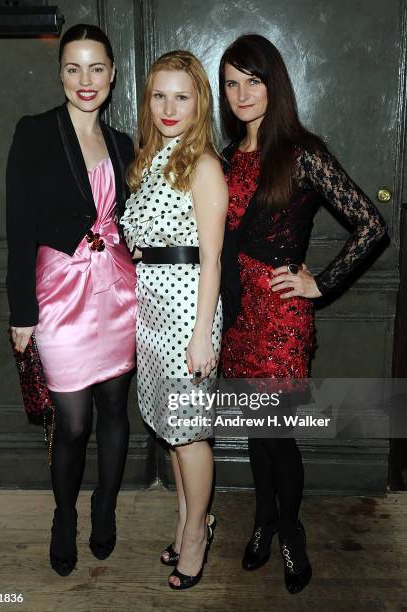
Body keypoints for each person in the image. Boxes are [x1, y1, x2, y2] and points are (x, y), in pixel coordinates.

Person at [218, 34, 388, 594]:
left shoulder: (303, 152)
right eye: (231, 83)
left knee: (278, 435)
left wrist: (321, 282)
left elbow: (372, 226)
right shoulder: (224, 157)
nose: (241, 93)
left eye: (253, 80)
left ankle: (291, 531)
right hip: (236, 315)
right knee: (254, 433)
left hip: (281, 318)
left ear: (274, 85)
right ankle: (264, 521)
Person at [6, 24, 137, 577]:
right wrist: (21, 314)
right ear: (60, 73)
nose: (86, 80)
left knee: (114, 408)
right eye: (73, 68)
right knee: (74, 421)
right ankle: (64, 514)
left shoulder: (125, 143)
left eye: (97, 68)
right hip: (59, 294)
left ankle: (103, 506)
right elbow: (18, 229)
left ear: (112, 74)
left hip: (119, 290)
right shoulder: (35, 132)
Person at [121, 50, 227, 589]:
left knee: (189, 436)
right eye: (159, 95)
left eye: (181, 96)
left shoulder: (204, 164)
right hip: (154, 309)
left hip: (189, 311)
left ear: (198, 102)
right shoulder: (153, 157)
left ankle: (195, 541)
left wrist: (202, 335)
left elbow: (211, 258)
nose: (168, 106)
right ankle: (190, 521)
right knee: (172, 429)